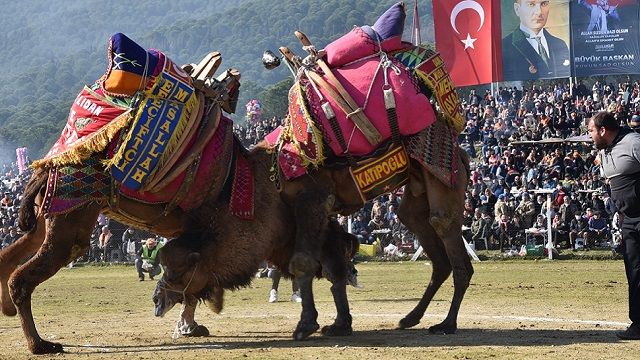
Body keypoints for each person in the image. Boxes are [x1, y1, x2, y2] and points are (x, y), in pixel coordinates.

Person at [587, 111, 640, 339]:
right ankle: (638, 325)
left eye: (590, 131)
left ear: (602, 130)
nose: (588, 135)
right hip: (628, 220)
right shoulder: (604, 151)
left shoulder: (634, 142)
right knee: (635, 272)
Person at [502, 0, 570, 80]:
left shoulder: (560, 44)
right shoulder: (504, 47)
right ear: (517, 9)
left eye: (544, 4)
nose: (539, 12)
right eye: (531, 4)